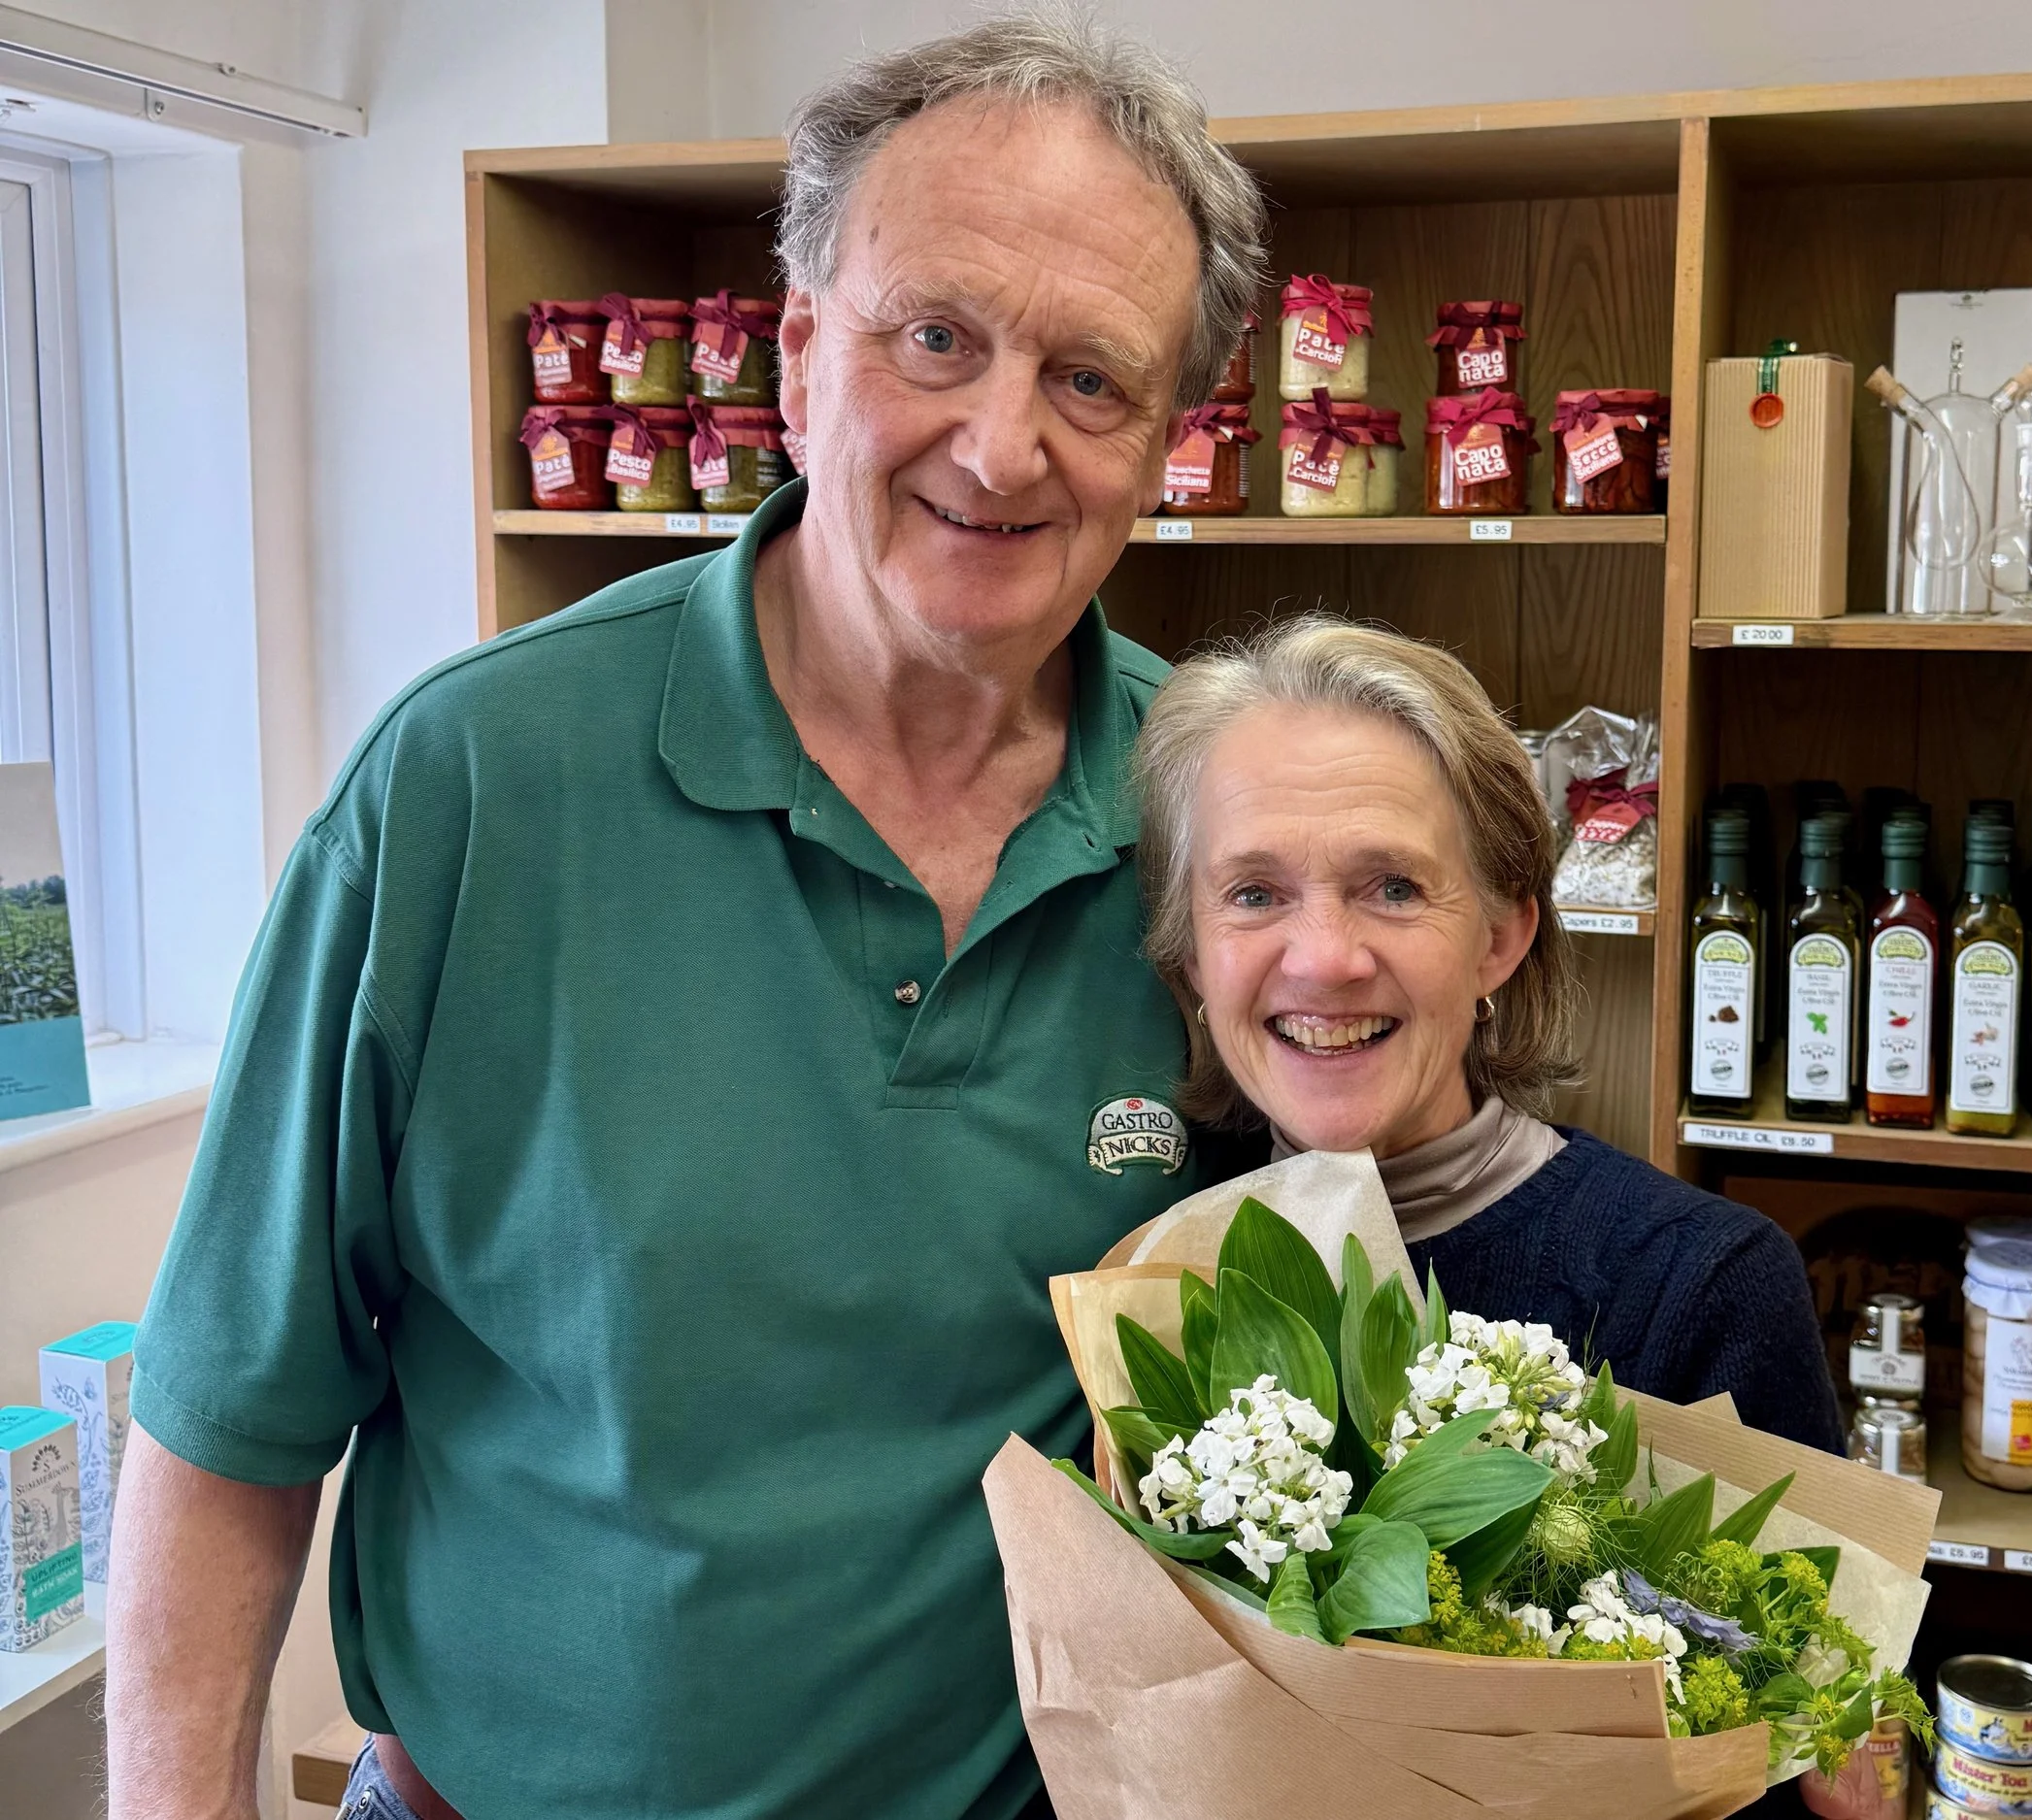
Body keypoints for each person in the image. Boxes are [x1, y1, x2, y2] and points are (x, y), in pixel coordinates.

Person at [108, 16, 1265, 1820]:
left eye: (1092, 381)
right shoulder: (473, 787)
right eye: (936, 337)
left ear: (1170, 447)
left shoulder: (1222, 823)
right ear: (800, 354)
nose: (1002, 441)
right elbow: (224, 1427)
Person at [1131, 617, 1841, 1452]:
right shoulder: (1159, 1273)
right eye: (1254, 893)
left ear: (1500, 939)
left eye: (1393, 886)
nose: (1326, 959)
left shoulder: (1700, 1287)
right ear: (1189, 960)